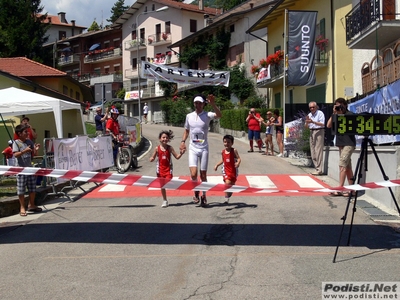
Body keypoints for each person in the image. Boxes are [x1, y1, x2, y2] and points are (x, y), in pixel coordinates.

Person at [179, 94, 222, 207]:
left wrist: (213, 104)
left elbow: (219, 115)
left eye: (200, 103)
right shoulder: (189, 116)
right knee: (193, 174)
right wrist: (183, 142)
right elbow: (186, 130)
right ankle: (196, 193)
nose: (197, 105)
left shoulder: (207, 115)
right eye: (196, 103)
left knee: (203, 175)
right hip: (193, 147)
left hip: (203, 148)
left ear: (203, 104)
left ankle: (204, 195)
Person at [326, 97, 356, 197]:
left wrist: (342, 113)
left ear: (345, 105)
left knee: (342, 165)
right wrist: (334, 113)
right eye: (337, 106)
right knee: (347, 167)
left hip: (349, 143)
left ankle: (340, 188)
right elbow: (328, 125)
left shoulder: (350, 115)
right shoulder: (335, 115)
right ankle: (353, 190)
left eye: (340, 106)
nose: (339, 108)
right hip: (340, 144)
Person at [149, 130, 184, 208]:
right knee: (162, 186)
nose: (165, 139)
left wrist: (181, 153)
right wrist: (151, 158)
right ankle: (165, 200)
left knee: (167, 182)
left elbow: (177, 157)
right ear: (160, 139)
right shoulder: (157, 148)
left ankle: (165, 197)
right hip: (160, 170)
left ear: (168, 139)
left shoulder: (170, 148)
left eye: (166, 137)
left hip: (168, 170)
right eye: (163, 137)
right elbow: (153, 157)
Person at [12, 124, 42, 217]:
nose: (27, 133)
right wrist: (24, 151)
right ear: (19, 133)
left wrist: (36, 150)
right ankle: (22, 207)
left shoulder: (29, 141)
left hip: (29, 168)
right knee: (21, 190)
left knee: (32, 188)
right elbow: (15, 155)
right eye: (25, 132)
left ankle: (31, 204)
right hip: (21, 170)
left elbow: (34, 154)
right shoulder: (16, 143)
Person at [214, 134, 241, 204]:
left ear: (232, 143)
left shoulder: (234, 151)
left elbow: (239, 158)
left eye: (228, 142)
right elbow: (223, 160)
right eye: (225, 142)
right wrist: (217, 165)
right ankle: (226, 199)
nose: (226, 144)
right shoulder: (223, 152)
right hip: (226, 171)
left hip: (233, 171)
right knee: (227, 183)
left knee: (231, 184)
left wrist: (238, 163)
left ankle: (229, 193)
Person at [305, 102, 326, 175]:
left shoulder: (320, 113)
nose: (312, 109)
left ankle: (319, 169)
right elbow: (306, 126)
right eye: (310, 107)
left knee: (318, 150)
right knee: (313, 151)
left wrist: (313, 121)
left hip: (319, 131)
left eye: (313, 107)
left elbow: (322, 123)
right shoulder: (309, 115)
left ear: (316, 107)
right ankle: (316, 167)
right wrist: (307, 122)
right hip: (311, 131)